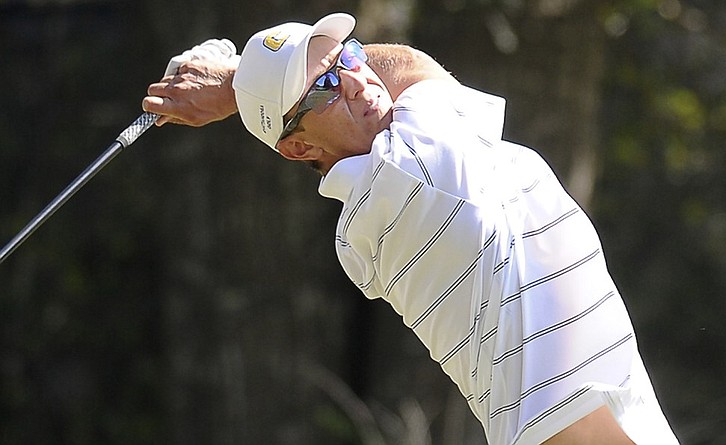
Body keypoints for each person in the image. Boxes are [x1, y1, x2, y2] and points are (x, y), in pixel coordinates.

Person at [143, 12, 680, 445]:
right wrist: (236, 83)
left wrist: (248, 87)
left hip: (603, 411)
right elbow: (411, 65)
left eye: (346, 57)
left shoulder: (378, 193)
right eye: (327, 84)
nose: (358, 79)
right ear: (300, 148)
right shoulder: (409, 171)